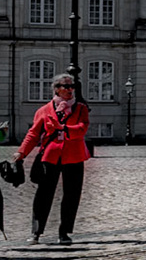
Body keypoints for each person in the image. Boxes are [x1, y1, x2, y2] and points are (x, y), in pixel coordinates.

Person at [17, 73, 91, 244]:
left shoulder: (80, 108)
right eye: (66, 87)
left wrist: (64, 128)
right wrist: (21, 153)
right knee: (44, 194)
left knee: (72, 194)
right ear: (57, 89)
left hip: (74, 156)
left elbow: (82, 129)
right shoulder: (44, 110)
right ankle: (36, 231)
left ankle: (64, 231)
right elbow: (33, 134)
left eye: (73, 87)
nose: (71, 90)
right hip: (50, 156)